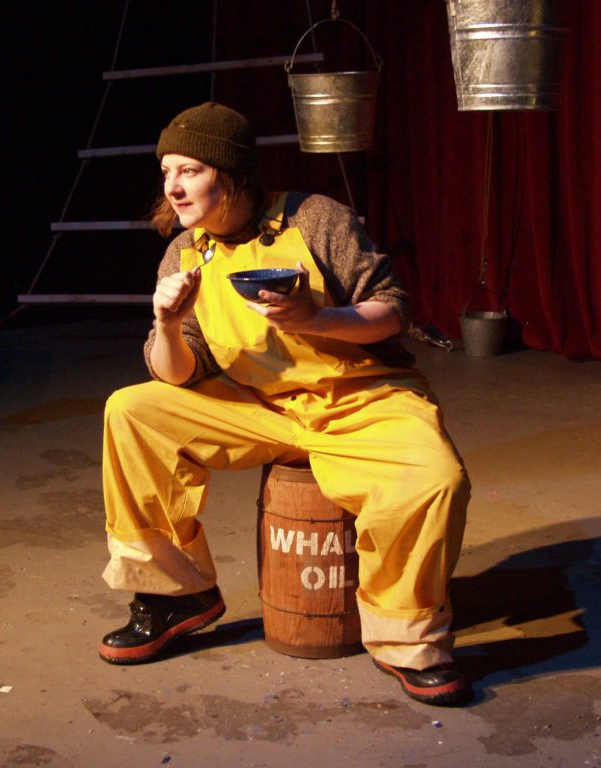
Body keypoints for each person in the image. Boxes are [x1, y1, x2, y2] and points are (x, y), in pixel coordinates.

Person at [98, 102, 472, 707]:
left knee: (436, 480)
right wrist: (166, 325)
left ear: (232, 173)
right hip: (264, 405)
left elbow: (393, 308)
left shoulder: (315, 219)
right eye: (167, 170)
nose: (173, 184)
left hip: (360, 397)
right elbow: (178, 373)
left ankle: (408, 636)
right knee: (132, 410)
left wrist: (317, 317)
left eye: (190, 169)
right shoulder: (186, 252)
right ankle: (176, 593)